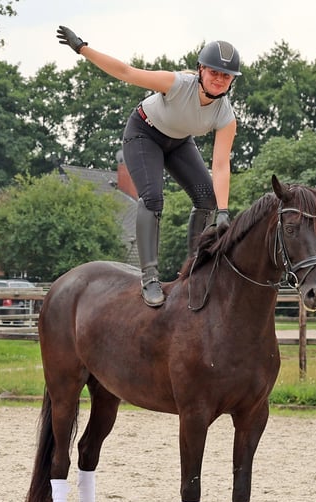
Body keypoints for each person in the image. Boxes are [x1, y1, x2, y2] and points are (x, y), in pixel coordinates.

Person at [56, 26, 241, 307]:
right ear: (200, 70)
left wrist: (224, 211)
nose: (219, 79)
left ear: (232, 82)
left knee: (207, 199)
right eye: (213, 72)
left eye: (225, 76)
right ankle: (150, 278)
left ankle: (193, 269)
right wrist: (83, 48)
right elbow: (127, 72)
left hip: (178, 142)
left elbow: (221, 163)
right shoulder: (177, 84)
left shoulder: (225, 115)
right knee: (153, 198)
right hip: (144, 132)